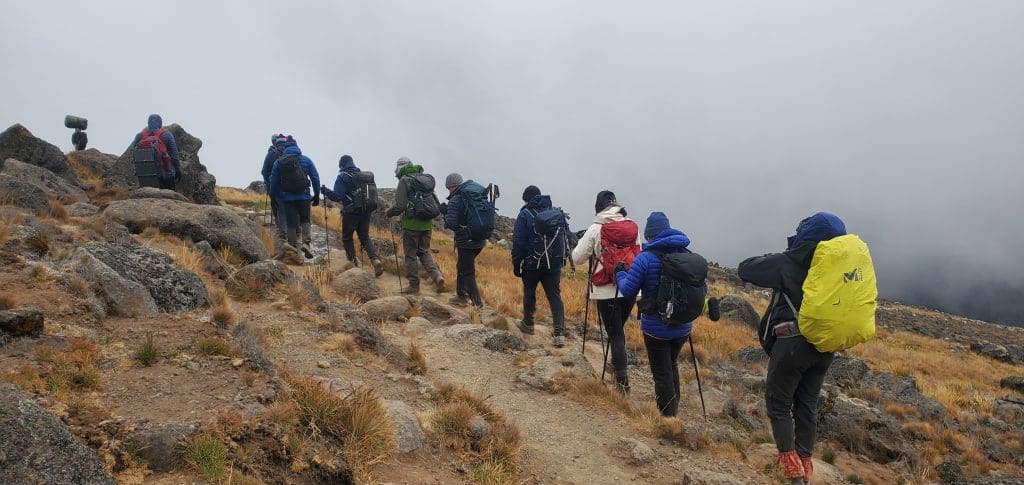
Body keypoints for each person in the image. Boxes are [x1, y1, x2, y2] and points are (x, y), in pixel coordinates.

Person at [737, 212, 848, 485]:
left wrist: (784, 253)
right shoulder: (840, 266)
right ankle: (805, 462)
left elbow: (746, 268)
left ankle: (791, 469)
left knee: (779, 403)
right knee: (807, 405)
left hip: (792, 343)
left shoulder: (791, 262)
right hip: (825, 345)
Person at [614, 212, 709, 415]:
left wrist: (620, 273)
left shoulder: (645, 258)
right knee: (671, 364)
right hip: (683, 326)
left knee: (662, 372)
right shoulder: (688, 257)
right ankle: (673, 407)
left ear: (650, 235)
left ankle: (668, 417)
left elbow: (628, 290)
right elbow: (703, 289)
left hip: (656, 328)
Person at [571, 190, 640, 391]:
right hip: (629, 289)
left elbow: (577, 258)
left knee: (615, 335)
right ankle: (617, 368)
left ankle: (622, 383)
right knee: (618, 333)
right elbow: (638, 254)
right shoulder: (631, 227)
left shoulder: (595, 229)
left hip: (605, 290)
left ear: (598, 207)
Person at [512, 185, 569, 347]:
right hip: (554, 264)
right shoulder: (556, 213)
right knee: (554, 296)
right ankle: (559, 333)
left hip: (532, 262)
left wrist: (517, 263)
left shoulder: (525, 214)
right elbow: (568, 237)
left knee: (529, 291)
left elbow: (518, 241)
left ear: (526, 199)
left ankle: (528, 324)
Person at [385, 157, 445, 294]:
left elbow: (400, 205)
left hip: (412, 224)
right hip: (427, 224)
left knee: (411, 255)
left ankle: (413, 286)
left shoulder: (404, 180)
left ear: (400, 168)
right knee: (424, 252)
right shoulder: (424, 178)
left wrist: (389, 212)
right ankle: (437, 276)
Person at [322, 154, 384, 275]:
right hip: (365, 212)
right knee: (364, 237)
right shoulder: (362, 176)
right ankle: (375, 259)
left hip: (351, 212)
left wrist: (326, 191)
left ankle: (353, 263)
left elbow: (337, 197)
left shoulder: (343, 177)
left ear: (341, 165)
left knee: (347, 237)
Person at [268, 139, 320, 259]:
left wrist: (273, 197)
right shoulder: (306, 160)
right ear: (297, 147)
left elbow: (274, 182)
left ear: (285, 149)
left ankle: (293, 248)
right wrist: (316, 194)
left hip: (287, 198)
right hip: (304, 196)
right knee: (305, 220)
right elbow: (315, 177)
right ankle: (306, 243)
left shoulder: (279, 162)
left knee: (291, 222)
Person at [443, 173, 486, 307]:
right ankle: (461, 295)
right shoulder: (475, 196)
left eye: (448, 187)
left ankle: (477, 303)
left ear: (450, 186)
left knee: (467, 271)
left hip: (466, 241)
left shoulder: (456, 199)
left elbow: (452, 224)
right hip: (480, 239)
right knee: (462, 266)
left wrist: (445, 212)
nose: (448, 190)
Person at [131, 114, 180, 190]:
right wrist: (177, 170)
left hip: (143, 174)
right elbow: (174, 155)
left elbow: (134, 153)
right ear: (160, 124)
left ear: (148, 123)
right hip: (164, 175)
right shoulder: (167, 135)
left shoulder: (139, 136)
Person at [262, 134, 288, 242]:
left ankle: (281, 232)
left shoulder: (270, 154)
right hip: (288, 186)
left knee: (277, 208)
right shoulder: (289, 152)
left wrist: (268, 184)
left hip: (274, 186)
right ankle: (291, 231)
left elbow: (264, 171)